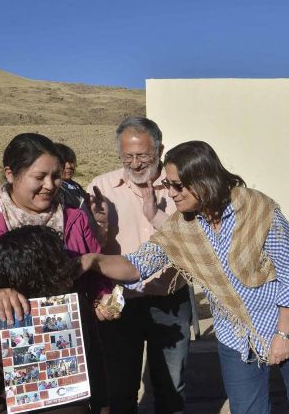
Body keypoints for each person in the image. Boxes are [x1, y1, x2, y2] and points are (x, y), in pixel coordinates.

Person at [81, 140, 289, 414]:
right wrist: (94, 261)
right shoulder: (181, 228)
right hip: (236, 333)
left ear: (202, 180)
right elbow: (137, 265)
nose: (172, 193)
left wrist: (283, 334)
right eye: (169, 185)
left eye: (178, 185)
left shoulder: (257, 209)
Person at [0, 132, 111, 354]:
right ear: (10, 174)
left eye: (56, 176)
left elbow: (95, 272)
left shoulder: (75, 218)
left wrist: (101, 296)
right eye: (39, 176)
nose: (50, 185)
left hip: (66, 342)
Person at [87, 117, 190, 413]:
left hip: (170, 298)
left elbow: (193, 241)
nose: (134, 163)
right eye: (127, 156)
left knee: (172, 386)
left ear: (160, 150)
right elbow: (88, 248)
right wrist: (100, 229)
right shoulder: (100, 188)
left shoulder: (179, 188)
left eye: (143, 155)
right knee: (119, 388)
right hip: (118, 302)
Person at [0, 225, 106, 413]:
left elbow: (95, 364)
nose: (69, 263)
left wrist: (102, 406)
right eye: (60, 259)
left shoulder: (76, 310)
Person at [54, 142, 88, 209]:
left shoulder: (76, 187)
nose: (69, 166)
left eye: (71, 161)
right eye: (63, 162)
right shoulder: (56, 191)